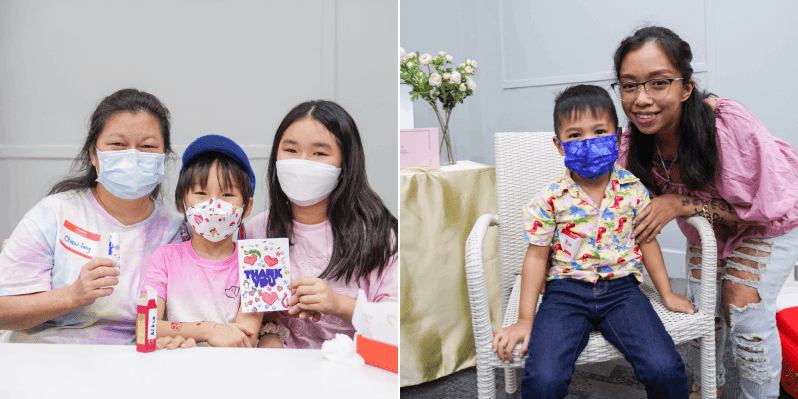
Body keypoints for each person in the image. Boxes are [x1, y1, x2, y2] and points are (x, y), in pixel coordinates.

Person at [614, 26, 798, 399]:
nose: (641, 99)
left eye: (658, 83)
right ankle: (705, 388)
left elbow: (763, 207)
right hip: (709, 226)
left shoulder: (726, 126)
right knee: (700, 309)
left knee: (741, 305)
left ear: (686, 88)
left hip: (769, 222)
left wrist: (681, 204)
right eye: (629, 85)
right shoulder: (634, 144)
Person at [492, 85, 694, 399]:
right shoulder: (549, 199)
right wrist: (524, 319)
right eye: (575, 135)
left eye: (599, 131)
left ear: (616, 137)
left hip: (623, 291)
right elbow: (535, 258)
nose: (588, 142)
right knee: (543, 380)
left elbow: (648, 241)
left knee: (665, 369)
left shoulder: (632, 189)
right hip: (565, 293)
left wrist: (666, 293)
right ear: (559, 146)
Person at [0, 88, 183, 344]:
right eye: (118, 144)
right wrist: (73, 295)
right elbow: (3, 312)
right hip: (44, 358)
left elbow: (187, 315)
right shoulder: (55, 213)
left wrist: (178, 339)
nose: (132, 155)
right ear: (94, 154)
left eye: (147, 146)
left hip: (135, 363)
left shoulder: (177, 231)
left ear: (163, 159)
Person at [246, 100, 398, 349]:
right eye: (291, 150)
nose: (302, 162)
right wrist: (269, 334)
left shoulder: (376, 235)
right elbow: (245, 314)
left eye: (319, 153)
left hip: (358, 373)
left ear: (344, 165)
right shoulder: (258, 232)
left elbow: (396, 322)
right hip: (279, 374)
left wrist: (337, 304)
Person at [138, 135, 284, 349]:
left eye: (227, 194)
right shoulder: (164, 257)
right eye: (201, 193)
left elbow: (247, 336)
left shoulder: (261, 261)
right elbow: (144, 326)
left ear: (247, 207)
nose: (213, 204)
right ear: (181, 202)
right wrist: (209, 330)